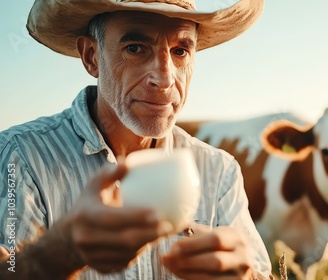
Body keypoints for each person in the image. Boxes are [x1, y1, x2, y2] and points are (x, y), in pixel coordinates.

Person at [0, 0, 272, 279]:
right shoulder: (20, 156)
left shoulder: (220, 172)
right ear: (91, 56)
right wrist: (59, 252)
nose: (165, 78)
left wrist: (246, 275)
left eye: (180, 51)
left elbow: (259, 274)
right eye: (135, 48)